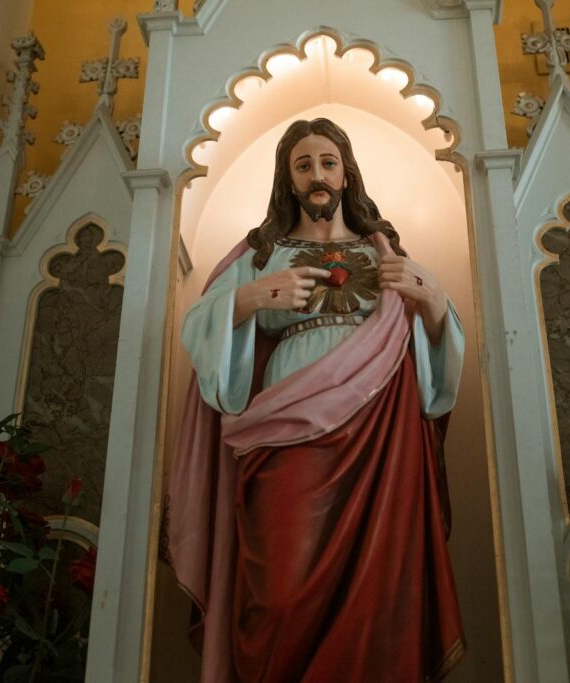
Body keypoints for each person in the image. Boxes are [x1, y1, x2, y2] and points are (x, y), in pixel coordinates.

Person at [162, 118, 466, 682]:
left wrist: (436, 302)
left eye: (327, 163)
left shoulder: (385, 253)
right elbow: (200, 324)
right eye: (303, 166)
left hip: (380, 435)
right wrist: (251, 299)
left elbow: (434, 374)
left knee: (377, 593)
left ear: (346, 173)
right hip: (283, 430)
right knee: (278, 594)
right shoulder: (260, 255)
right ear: (288, 179)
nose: (317, 176)